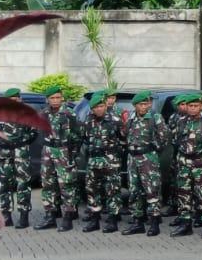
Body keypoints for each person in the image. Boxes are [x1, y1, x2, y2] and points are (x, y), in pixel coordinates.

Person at [169, 93, 202, 238]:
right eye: (190, 106)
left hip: (200, 164)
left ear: (201, 106)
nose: (193, 109)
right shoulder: (180, 121)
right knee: (184, 195)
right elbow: (176, 140)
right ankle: (185, 225)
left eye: (196, 106)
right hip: (183, 163)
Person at [120, 91, 166, 237]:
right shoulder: (131, 118)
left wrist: (153, 150)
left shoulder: (154, 117)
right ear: (135, 105)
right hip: (132, 158)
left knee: (151, 190)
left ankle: (153, 222)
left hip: (147, 157)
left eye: (147, 103)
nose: (144, 106)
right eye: (141, 104)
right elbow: (124, 134)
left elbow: (164, 137)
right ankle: (137, 222)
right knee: (134, 191)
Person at [79, 91, 125, 234]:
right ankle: (94, 219)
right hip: (93, 161)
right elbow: (85, 139)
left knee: (112, 190)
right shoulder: (88, 121)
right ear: (92, 109)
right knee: (92, 190)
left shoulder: (115, 120)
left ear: (105, 106)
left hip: (110, 160)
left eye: (101, 106)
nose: (99, 109)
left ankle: (112, 220)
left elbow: (123, 139)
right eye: (96, 107)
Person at [0, 87, 38, 228]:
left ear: (19, 98)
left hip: (21, 154)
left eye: (15, 98)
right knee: (4, 185)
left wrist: (21, 140)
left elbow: (34, 132)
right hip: (4, 155)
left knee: (23, 185)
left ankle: (23, 217)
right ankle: (6, 216)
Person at [36, 89, 79, 231]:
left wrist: (72, 154)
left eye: (58, 97)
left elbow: (78, 135)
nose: (55, 100)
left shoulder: (69, 114)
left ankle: (68, 217)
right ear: (48, 99)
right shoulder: (43, 114)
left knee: (66, 185)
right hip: (48, 151)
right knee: (48, 184)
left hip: (64, 152)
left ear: (62, 98)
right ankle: (50, 216)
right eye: (52, 98)